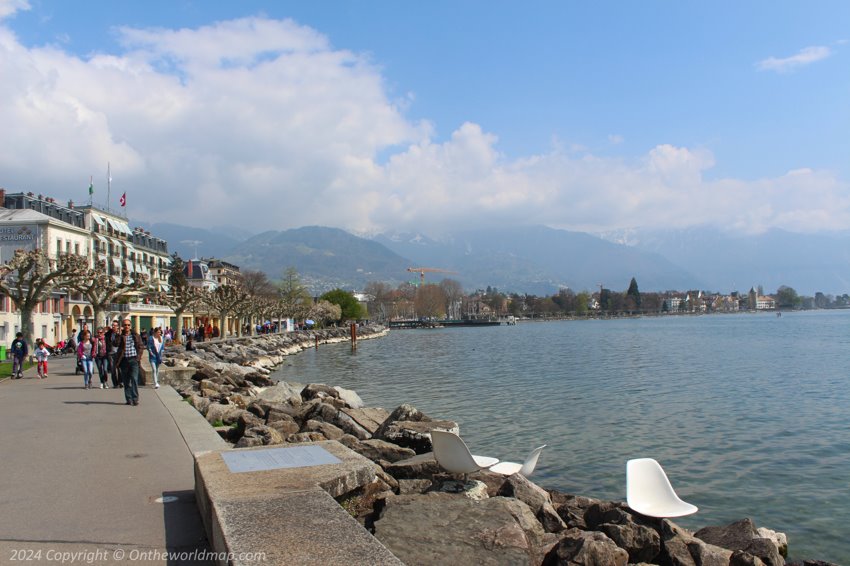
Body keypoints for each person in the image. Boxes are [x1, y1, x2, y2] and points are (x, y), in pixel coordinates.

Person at [116, 318, 144, 406]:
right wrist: (119, 334)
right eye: (125, 325)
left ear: (130, 326)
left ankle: (135, 399)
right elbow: (115, 344)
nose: (127, 327)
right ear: (122, 326)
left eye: (128, 325)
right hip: (124, 360)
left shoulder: (135, 335)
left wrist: (138, 358)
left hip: (133, 360)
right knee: (126, 381)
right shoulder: (121, 336)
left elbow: (140, 346)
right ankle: (129, 399)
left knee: (134, 379)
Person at [106, 320, 122, 388]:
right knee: (113, 369)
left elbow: (118, 343)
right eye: (112, 325)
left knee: (120, 369)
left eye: (115, 325)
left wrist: (119, 334)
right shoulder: (109, 334)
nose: (113, 326)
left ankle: (120, 382)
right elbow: (105, 336)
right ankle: (115, 384)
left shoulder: (120, 334)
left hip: (118, 353)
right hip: (111, 353)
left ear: (118, 326)